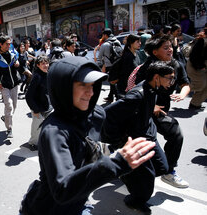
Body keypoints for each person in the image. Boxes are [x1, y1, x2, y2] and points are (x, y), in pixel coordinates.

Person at [20, 56, 156, 215]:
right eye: (82, 85)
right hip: (50, 209)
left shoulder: (95, 114)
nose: (90, 92)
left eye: (93, 85)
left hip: (80, 199)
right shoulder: (54, 131)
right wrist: (116, 164)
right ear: (63, 88)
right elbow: (62, 189)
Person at [102, 61, 179, 213]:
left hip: (149, 136)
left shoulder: (154, 88)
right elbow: (108, 114)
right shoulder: (137, 95)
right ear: (157, 77)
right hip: (136, 140)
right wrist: (118, 140)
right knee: (147, 181)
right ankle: (135, 201)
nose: (172, 82)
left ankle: (125, 171)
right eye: (169, 78)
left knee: (162, 167)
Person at [132, 35, 191, 189]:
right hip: (143, 111)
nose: (170, 49)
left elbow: (186, 84)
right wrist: (152, 106)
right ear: (155, 52)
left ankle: (169, 171)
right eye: (165, 47)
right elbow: (137, 90)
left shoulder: (176, 65)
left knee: (176, 135)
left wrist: (182, 94)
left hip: (161, 112)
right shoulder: (149, 67)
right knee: (136, 142)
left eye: (171, 46)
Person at [0, 34, 21, 138]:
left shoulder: (12, 52)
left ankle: (5, 117)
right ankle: (9, 128)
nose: (9, 46)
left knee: (14, 106)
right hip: (4, 85)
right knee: (9, 106)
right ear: (1, 44)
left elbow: (17, 60)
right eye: (7, 44)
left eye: (10, 44)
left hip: (14, 83)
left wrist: (17, 63)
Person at [25, 55, 51, 151]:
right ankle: (32, 143)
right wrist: (35, 109)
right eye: (43, 63)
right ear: (38, 65)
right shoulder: (37, 77)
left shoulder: (47, 74)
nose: (46, 65)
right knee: (37, 126)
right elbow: (28, 96)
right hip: (37, 106)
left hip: (47, 105)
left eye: (47, 63)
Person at [97, 28, 122, 103]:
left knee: (112, 82)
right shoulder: (117, 41)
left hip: (109, 66)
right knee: (114, 81)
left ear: (105, 35)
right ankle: (110, 96)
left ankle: (118, 97)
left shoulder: (105, 44)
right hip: (117, 64)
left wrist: (102, 64)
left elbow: (99, 57)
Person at [186, 24, 207, 110]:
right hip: (195, 66)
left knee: (205, 86)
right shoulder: (202, 41)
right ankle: (182, 88)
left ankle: (195, 104)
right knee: (200, 85)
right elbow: (194, 56)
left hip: (202, 66)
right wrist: (201, 66)